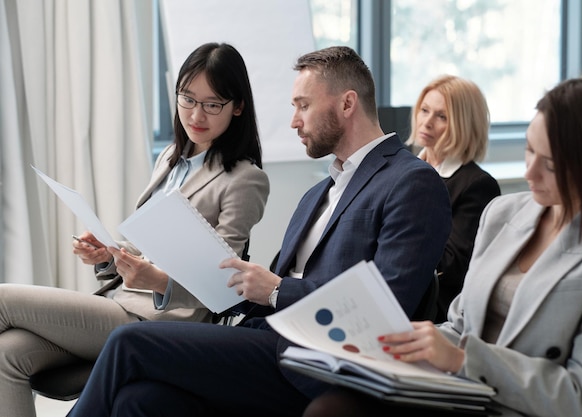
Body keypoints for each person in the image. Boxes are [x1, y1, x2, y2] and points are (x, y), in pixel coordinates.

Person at [64, 45, 452, 417]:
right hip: (264, 338)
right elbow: (260, 292)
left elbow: (389, 301)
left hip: (317, 359)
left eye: (303, 105)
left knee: (129, 343)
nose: (294, 120)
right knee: (141, 400)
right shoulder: (317, 194)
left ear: (347, 104)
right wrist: (190, 280)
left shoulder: (410, 181)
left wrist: (279, 290)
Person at [302, 75, 582, 417]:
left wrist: (462, 358)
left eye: (550, 165)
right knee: (331, 406)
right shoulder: (504, 214)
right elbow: (459, 324)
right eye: (529, 150)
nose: (529, 173)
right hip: (460, 388)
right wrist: (400, 343)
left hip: (521, 403)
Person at [0, 42, 269, 417]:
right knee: (8, 352)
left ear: (237, 107)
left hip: (159, 324)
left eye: (213, 104)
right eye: (188, 99)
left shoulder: (244, 179)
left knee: (2, 299)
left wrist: (157, 281)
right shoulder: (171, 158)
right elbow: (156, 246)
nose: (196, 114)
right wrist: (111, 254)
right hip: (118, 304)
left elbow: (222, 284)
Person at [406, 75, 500, 322]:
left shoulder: (477, 185)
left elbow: (451, 267)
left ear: (463, 125)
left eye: (442, 117)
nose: (426, 122)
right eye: (424, 110)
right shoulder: (401, 170)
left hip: (434, 309)